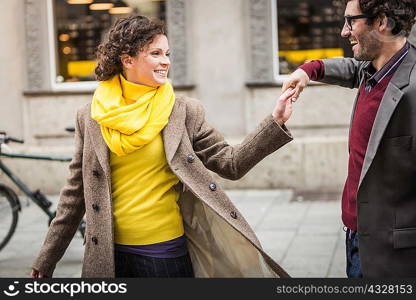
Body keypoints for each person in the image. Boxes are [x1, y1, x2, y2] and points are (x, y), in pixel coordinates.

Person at [31, 15, 295, 278]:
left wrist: (276, 121)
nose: (166, 61)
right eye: (155, 53)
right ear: (128, 60)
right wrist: (47, 258)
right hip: (107, 256)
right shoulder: (91, 116)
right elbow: (75, 193)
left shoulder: (183, 112)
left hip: (164, 253)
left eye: (167, 53)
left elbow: (231, 163)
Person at [282, 0, 416, 278]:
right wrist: (309, 70)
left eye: (350, 21)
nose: (344, 32)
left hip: (393, 255)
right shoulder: (373, 70)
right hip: (357, 237)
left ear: (381, 22)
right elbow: (350, 68)